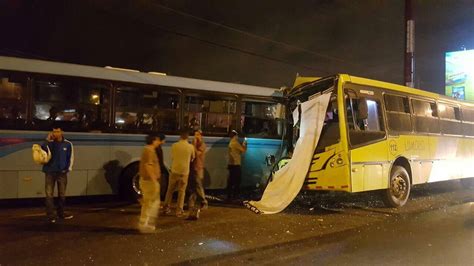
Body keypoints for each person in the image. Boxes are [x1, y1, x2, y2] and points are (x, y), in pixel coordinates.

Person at [41, 126, 74, 223]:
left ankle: (61, 213)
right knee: (49, 194)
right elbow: (42, 151)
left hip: (62, 173)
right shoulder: (49, 143)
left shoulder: (68, 144)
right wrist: (47, 140)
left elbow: (70, 157)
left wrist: (67, 169)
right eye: (54, 131)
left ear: (62, 132)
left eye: (58, 131)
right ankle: (51, 215)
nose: (56, 133)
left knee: (62, 194)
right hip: (49, 171)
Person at [163, 129, 195, 217]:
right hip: (184, 172)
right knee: (182, 191)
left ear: (180, 136)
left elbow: (173, 156)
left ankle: (166, 208)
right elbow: (193, 158)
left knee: (170, 190)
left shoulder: (174, 145)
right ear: (187, 137)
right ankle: (179, 211)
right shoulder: (191, 147)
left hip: (174, 171)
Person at [138, 133, 165, 233]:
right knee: (150, 203)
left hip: (148, 180)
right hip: (149, 181)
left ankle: (146, 223)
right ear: (153, 140)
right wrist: (154, 180)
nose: (158, 142)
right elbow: (148, 165)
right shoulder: (149, 150)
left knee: (150, 202)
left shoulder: (148, 149)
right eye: (157, 140)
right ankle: (144, 224)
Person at [187, 130, 208, 220]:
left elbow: (196, 154)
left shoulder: (202, 145)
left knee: (198, 186)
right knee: (193, 188)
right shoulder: (193, 144)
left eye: (198, 135)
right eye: (195, 134)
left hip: (198, 168)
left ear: (201, 136)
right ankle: (191, 205)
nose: (196, 136)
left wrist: (194, 145)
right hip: (192, 168)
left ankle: (204, 202)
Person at [227, 130, 247, 201]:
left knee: (231, 181)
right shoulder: (235, 143)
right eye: (237, 135)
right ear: (235, 136)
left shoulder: (231, 142)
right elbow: (243, 150)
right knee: (237, 181)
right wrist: (245, 143)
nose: (237, 137)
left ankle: (229, 196)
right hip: (236, 165)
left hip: (231, 164)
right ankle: (235, 196)